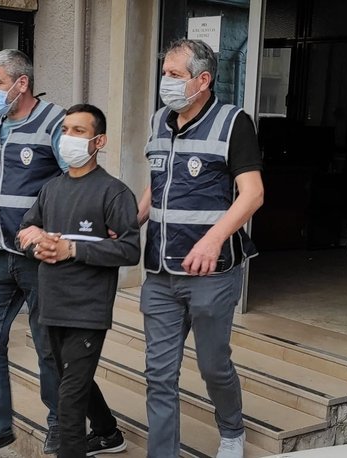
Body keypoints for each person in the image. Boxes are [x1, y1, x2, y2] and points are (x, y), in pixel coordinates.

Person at [137, 39, 264, 458]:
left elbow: (252, 194)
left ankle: (232, 430)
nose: (166, 82)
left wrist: (213, 239)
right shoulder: (159, 120)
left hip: (212, 274)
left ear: (203, 80)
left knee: (213, 366)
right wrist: (130, 222)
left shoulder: (233, 123)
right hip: (160, 273)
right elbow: (158, 182)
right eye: (165, 73)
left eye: (175, 75)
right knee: (159, 375)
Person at [18, 104, 140, 457]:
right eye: (65, 130)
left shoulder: (114, 192)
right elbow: (26, 231)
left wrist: (72, 249)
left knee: (68, 398)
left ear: (98, 141)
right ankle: (107, 433)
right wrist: (36, 244)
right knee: (72, 382)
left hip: (87, 309)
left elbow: (130, 249)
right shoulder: (51, 189)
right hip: (51, 304)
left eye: (79, 131)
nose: (68, 138)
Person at [0, 49, 66, 458]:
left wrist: (54, 235)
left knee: (49, 348)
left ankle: (60, 424)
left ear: (22, 83)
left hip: (39, 257)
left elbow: (74, 183)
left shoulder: (55, 122)